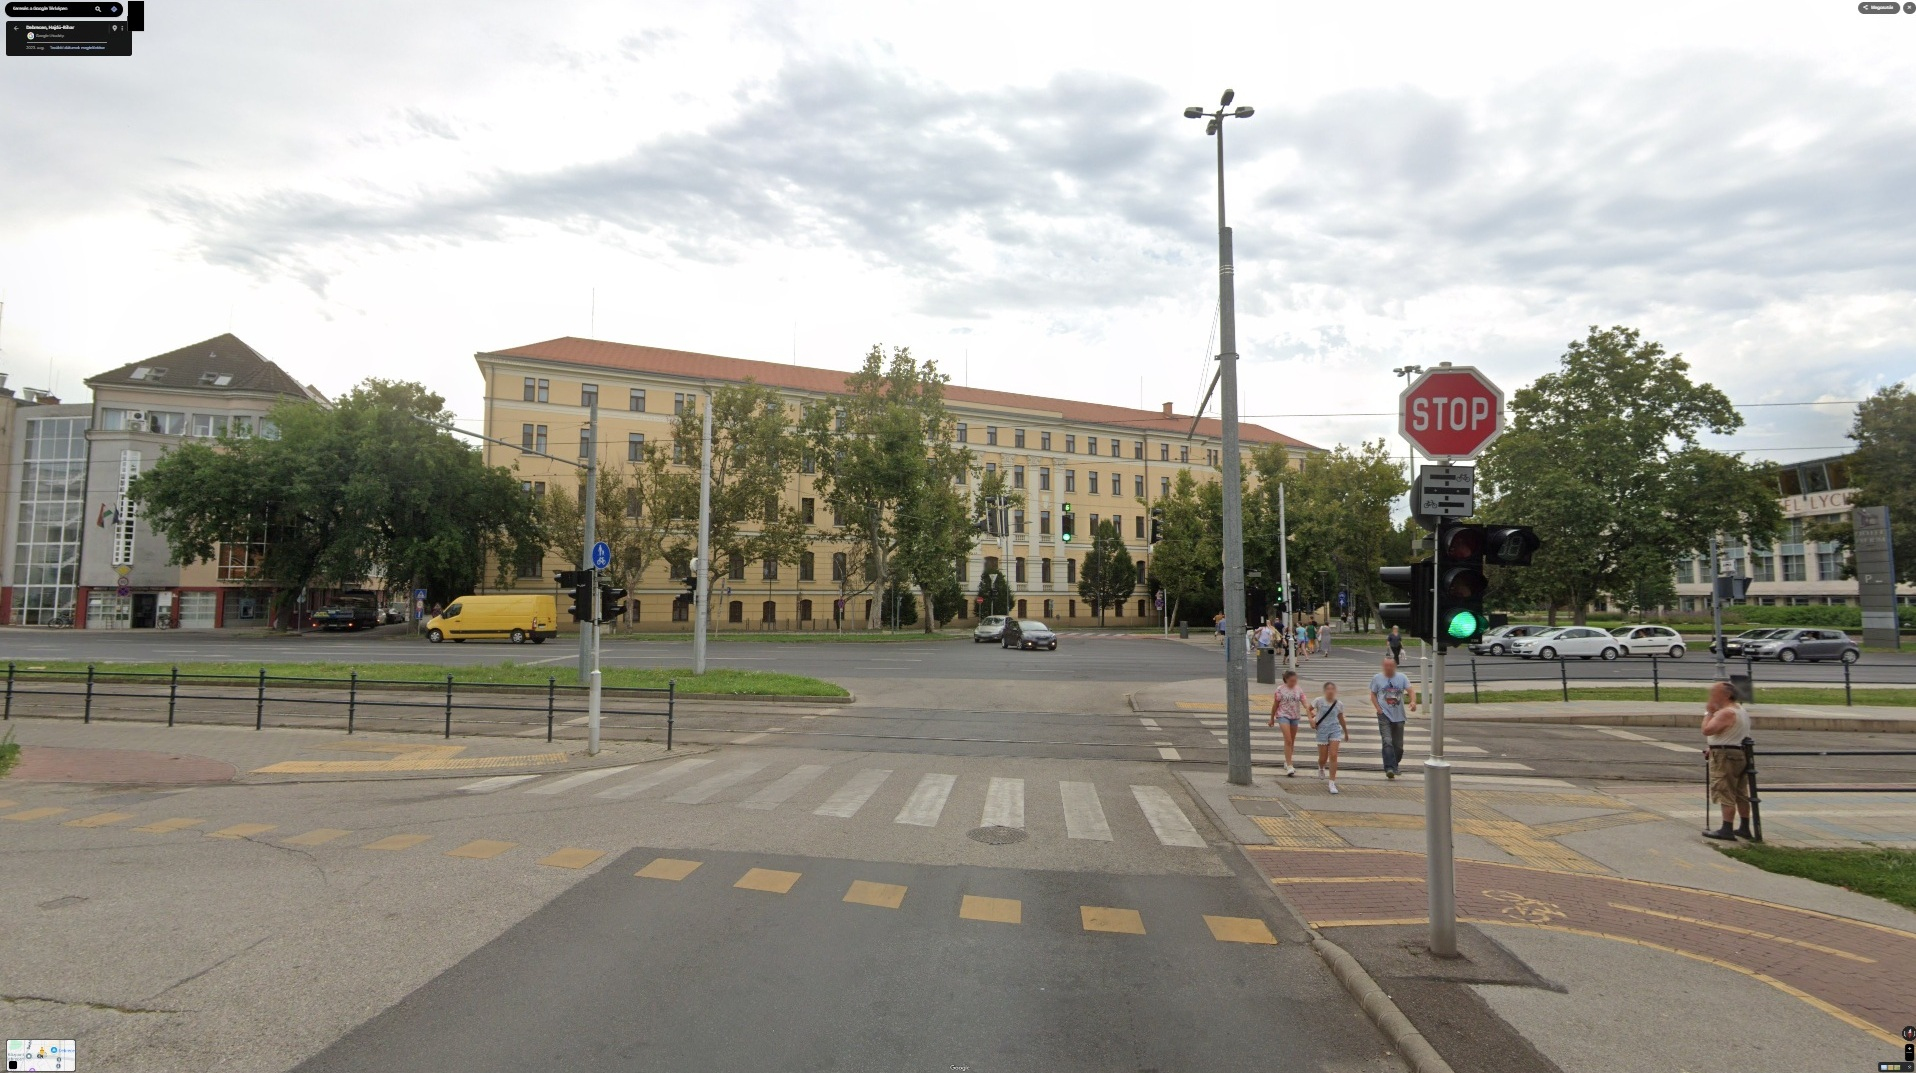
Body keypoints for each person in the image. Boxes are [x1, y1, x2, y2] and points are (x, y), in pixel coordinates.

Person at [1700, 681, 1755, 840]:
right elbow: (1732, 734)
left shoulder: (1726, 713)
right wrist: (1713, 746)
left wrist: (1709, 713)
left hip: (1725, 756)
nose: (1711, 696)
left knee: (1725, 790)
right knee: (1740, 792)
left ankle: (1727, 829)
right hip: (1737, 752)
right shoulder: (1740, 710)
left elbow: (1707, 730)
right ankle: (1744, 827)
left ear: (1727, 695)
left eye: (1714, 693)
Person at [1369, 656, 1417, 778]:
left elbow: (1411, 691)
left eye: (1391, 665)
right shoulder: (1377, 678)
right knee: (1387, 741)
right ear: (1383, 666)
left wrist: (1413, 702)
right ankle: (1389, 768)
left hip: (1399, 716)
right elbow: (1373, 694)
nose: (1388, 668)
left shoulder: (1402, 677)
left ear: (1395, 666)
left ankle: (1394, 764)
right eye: (1386, 665)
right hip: (1384, 715)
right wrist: (1378, 709)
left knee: (1398, 746)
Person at [1270, 669, 1308, 776]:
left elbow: (1304, 701)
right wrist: (1272, 718)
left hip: (1295, 716)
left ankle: (1287, 761)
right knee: (1288, 739)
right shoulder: (1280, 689)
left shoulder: (1298, 689)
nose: (1293, 683)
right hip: (1283, 715)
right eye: (1291, 681)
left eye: (1295, 681)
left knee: (1292, 740)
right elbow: (1275, 704)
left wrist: (1310, 710)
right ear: (1286, 680)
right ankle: (1290, 766)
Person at [1312, 681, 1347, 793]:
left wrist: (1346, 732)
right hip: (1322, 730)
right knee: (1323, 758)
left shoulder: (1339, 704)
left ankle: (1332, 782)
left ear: (1335, 691)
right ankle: (1321, 767)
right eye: (1328, 689)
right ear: (1324, 691)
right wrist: (1311, 719)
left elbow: (1341, 718)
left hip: (1335, 730)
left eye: (1332, 689)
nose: (1330, 691)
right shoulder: (1318, 701)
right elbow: (1308, 709)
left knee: (1333, 755)